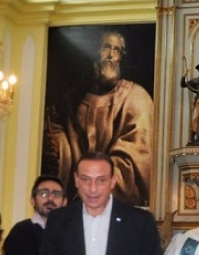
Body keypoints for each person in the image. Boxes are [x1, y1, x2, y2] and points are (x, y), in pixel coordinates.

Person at [43, 30, 153, 206]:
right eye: (106, 48)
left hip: (114, 207)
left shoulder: (137, 98)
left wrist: (91, 191)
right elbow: (63, 146)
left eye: (116, 50)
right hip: (76, 204)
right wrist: (58, 145)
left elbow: (134, 158)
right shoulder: (73, 100)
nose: (110, 56)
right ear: (94, 52)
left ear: (121, 57)